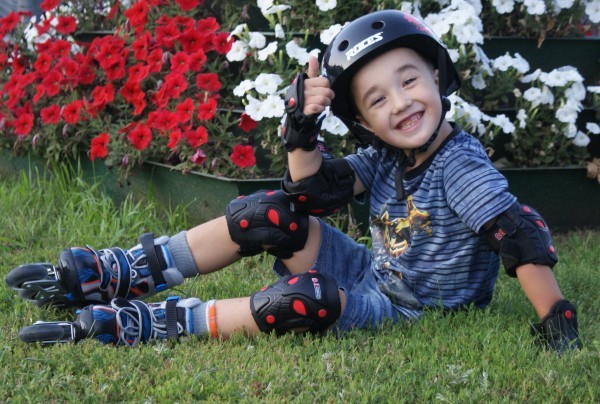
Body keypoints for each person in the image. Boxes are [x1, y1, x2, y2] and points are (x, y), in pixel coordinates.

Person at [7, 10, 580, 352]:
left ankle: (157, 323)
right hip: (371, 272)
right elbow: (312, 193)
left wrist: (555, 318)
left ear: (437, 74)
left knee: (302, 302)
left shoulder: (459, 165)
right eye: (378, 99)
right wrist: (302, 130)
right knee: (266, 213)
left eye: (409, 81)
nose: (401, 103)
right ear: (364, 122)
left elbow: (518, 234)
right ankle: (127, 270)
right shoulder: (387, 157)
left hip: (414, 310)